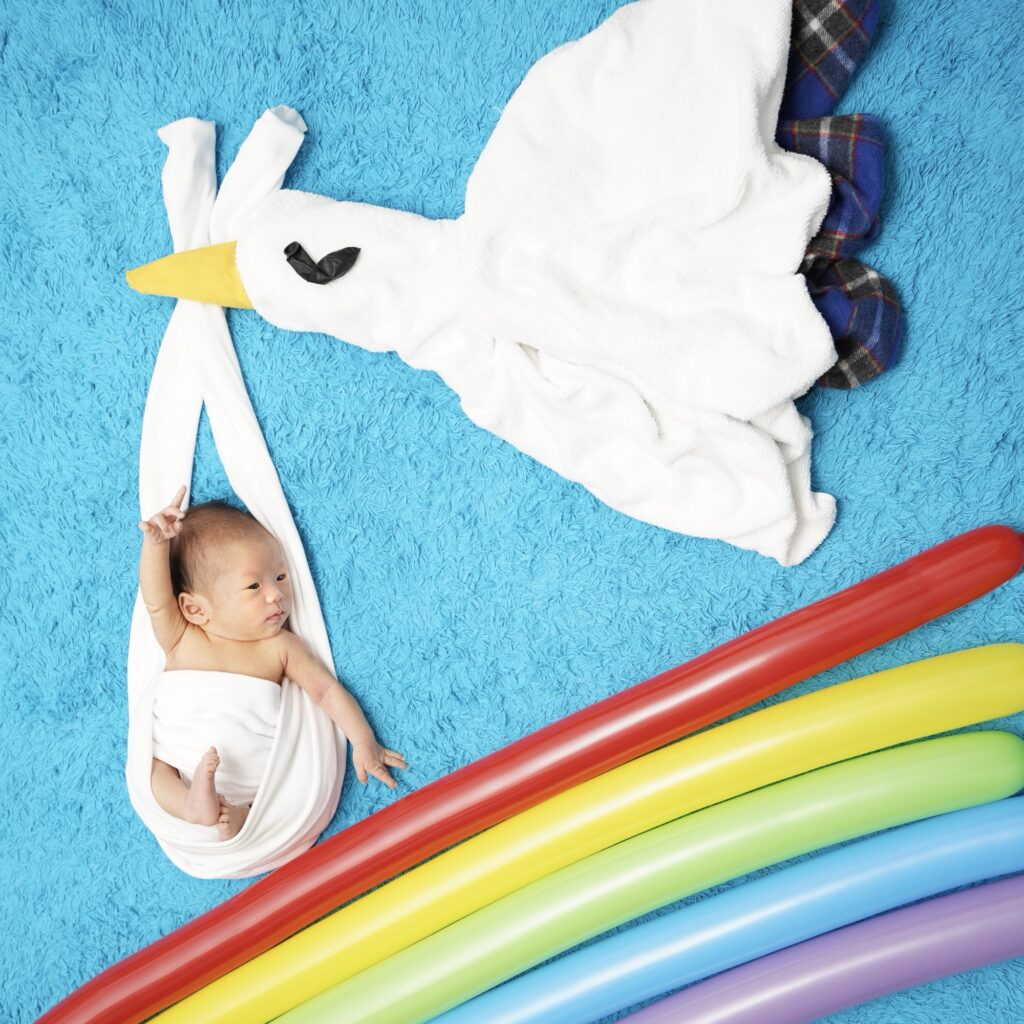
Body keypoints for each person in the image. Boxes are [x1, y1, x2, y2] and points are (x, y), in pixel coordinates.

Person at [138, 484, 407, 839]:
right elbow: (157, 600)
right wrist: (156, 545)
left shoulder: (280, 646)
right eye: (254, 587)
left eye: (280, 577)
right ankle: (192, 805)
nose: (276, 594)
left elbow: (327, 691)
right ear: (195, 609)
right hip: (186, 754)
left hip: (251, 767)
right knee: (154, 771)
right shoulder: (182, 635)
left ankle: (240, 813)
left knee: (265, 787)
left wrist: (362, 740)